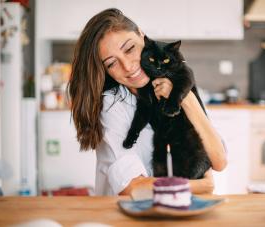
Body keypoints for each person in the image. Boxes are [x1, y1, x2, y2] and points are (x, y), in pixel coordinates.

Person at [68, 8, 227, 196]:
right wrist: (202, 186)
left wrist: (188, 99)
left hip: (169, 212)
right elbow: (133, 187)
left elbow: (218, 161)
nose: (127, 66)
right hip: (123, 216)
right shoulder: (111, 105)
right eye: (112, 63)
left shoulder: (171, 84)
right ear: (105, 70)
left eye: (129, 49)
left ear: (142, 36)